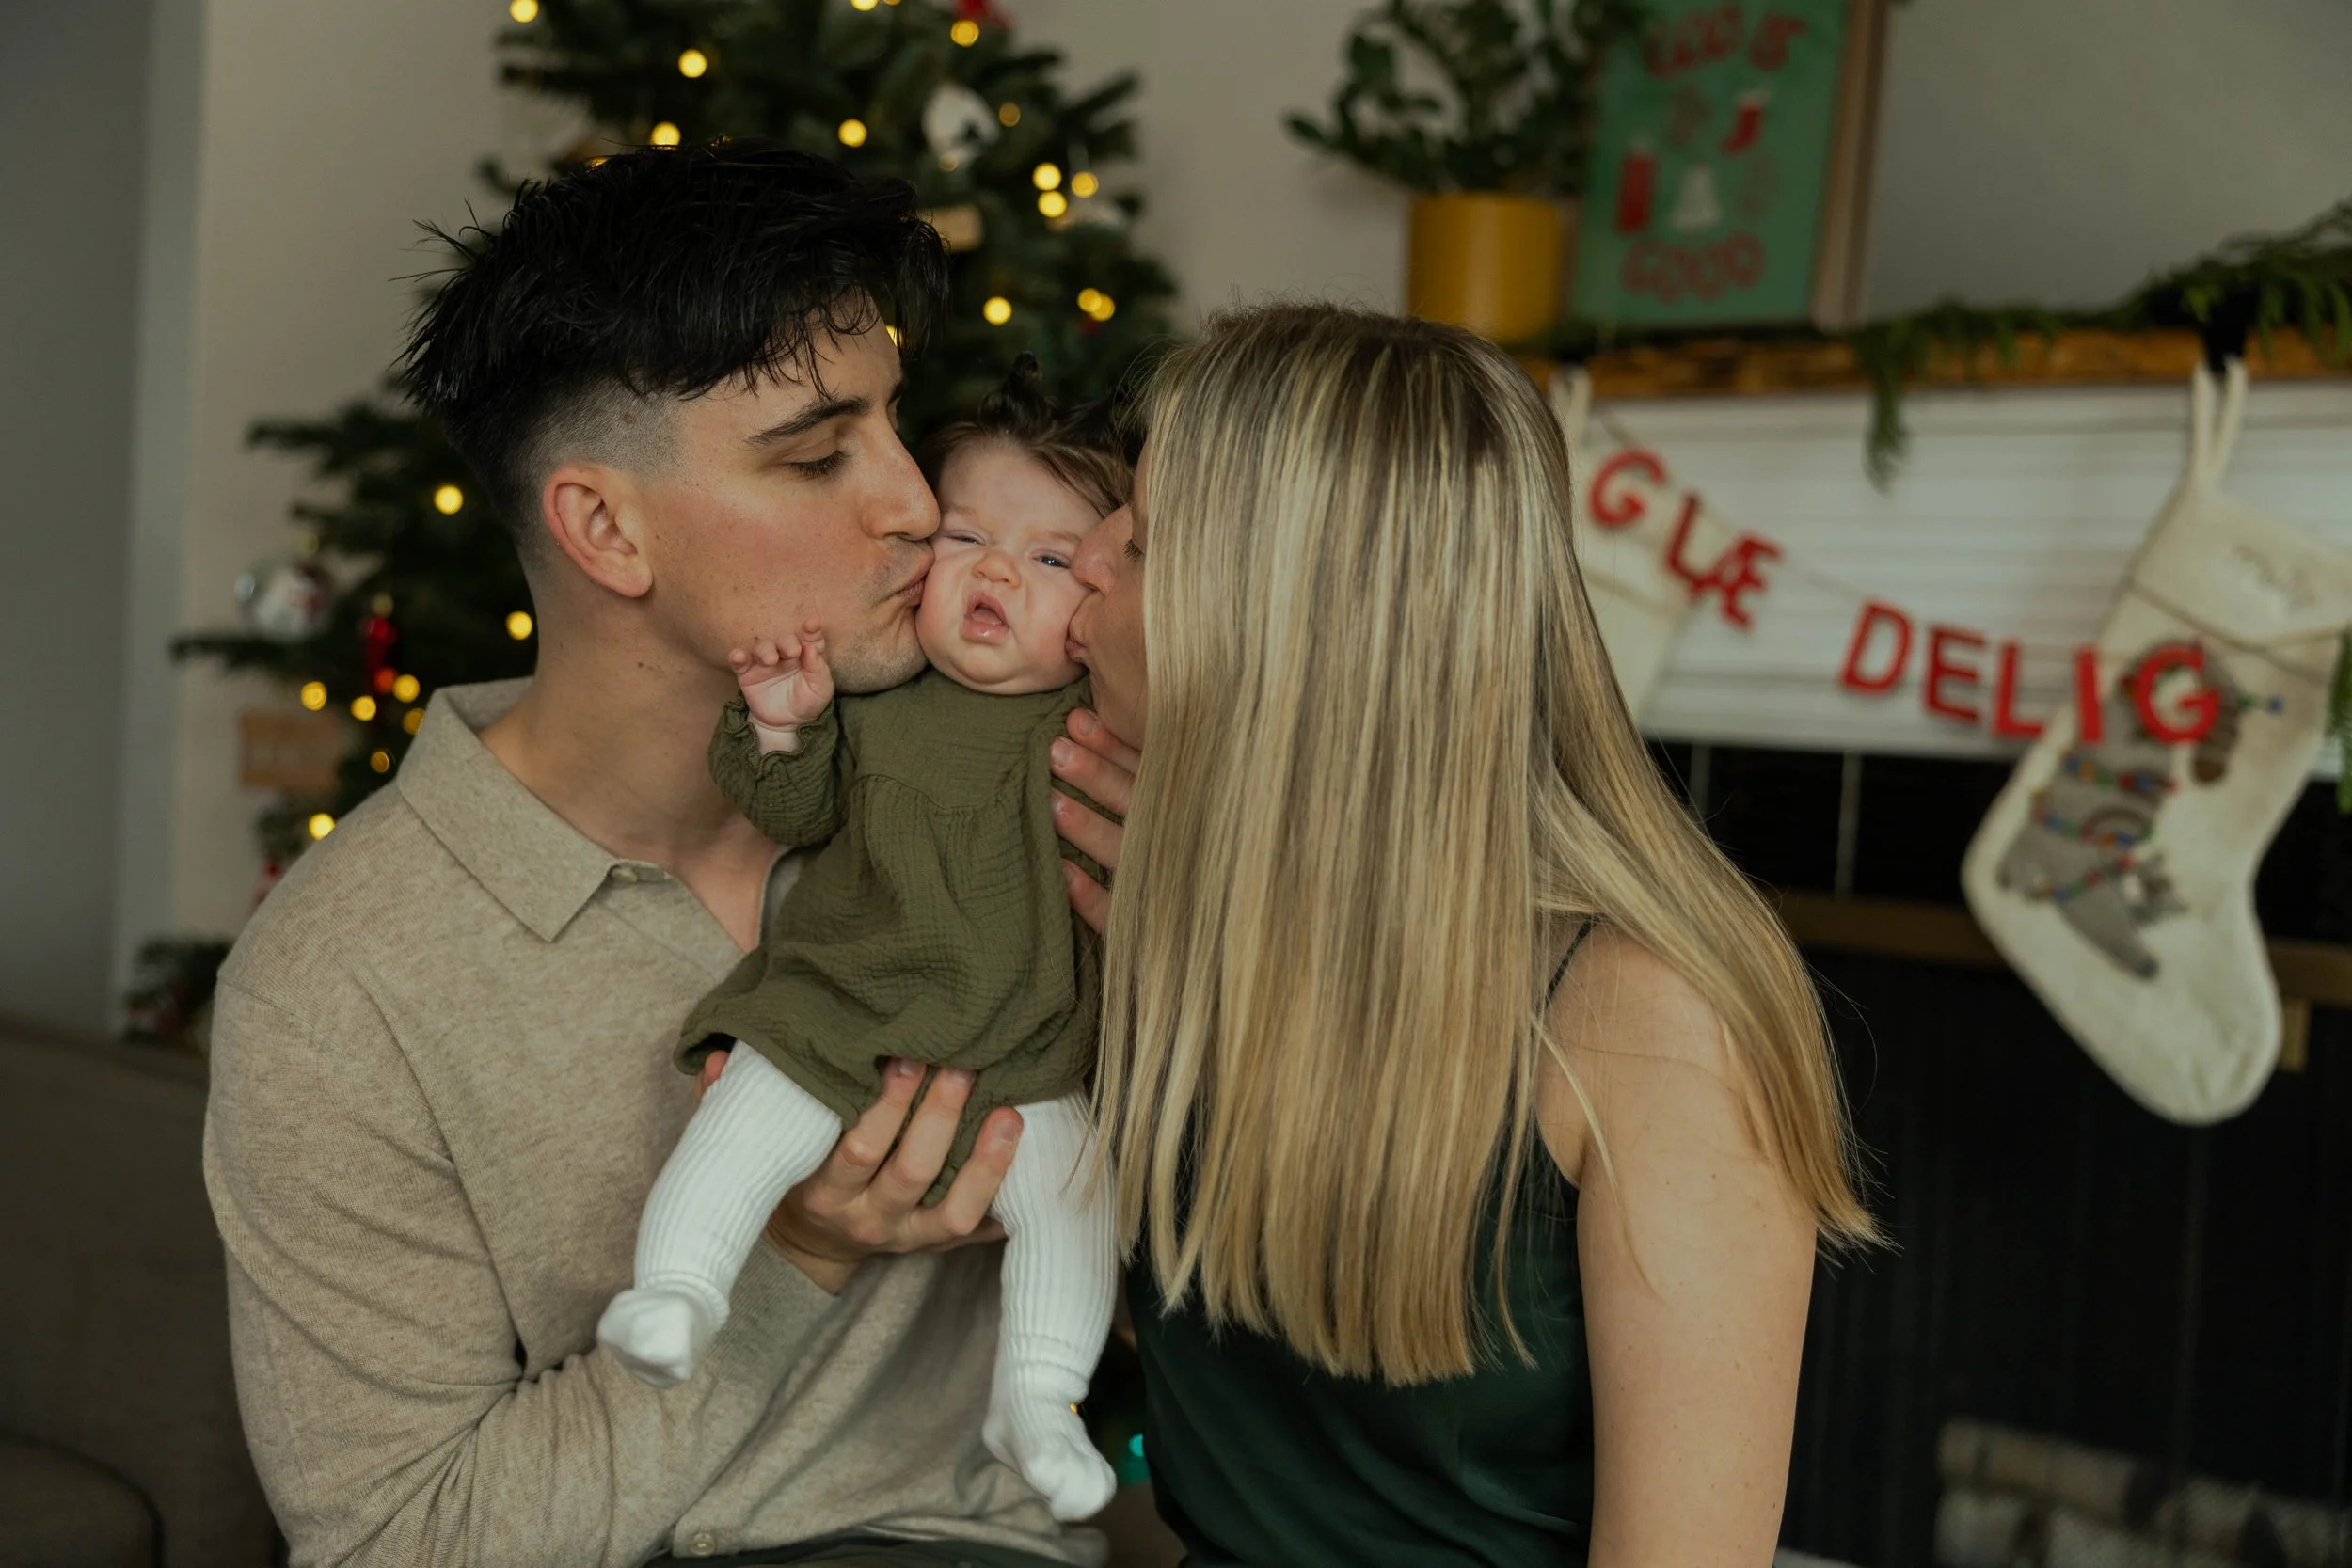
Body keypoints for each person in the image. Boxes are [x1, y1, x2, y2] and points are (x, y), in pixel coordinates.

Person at [203, 142, 1102, 1568]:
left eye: (894, 425)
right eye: (818, 453)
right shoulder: (338, 987)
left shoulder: (1035, 775)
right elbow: (397, 1537)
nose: (917, 503)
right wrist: (799, 1250)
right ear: (604, 526)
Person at [1045, 303, 1883, 1567]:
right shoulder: (1146, 902)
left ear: (1290, 633)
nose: (1081, 556)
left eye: (1149, 541)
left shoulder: (1647, 1017)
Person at [600, 358, 1135, 1523]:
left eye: (1051, 560)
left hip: (1023, 1041)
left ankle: (1037, 1397)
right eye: (965, 536)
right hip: (839, 1011)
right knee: (747, 1106)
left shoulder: (1098, 733)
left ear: (1103, 612)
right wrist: (785, 729)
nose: (995, 569)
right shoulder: (874, 697)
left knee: (1070, 1190)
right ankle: (677, 1286)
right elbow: (794, 812)